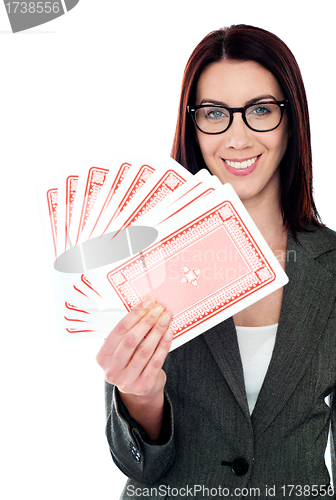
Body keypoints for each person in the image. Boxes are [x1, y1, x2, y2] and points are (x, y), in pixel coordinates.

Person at [96, 25, 336, 499]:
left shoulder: (332, 268)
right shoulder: (145, 253)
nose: (238, 137)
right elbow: (138, 466)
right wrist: (139, 397)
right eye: (214, 113)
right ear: (193, 124)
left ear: (292, 120)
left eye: (261, 111)